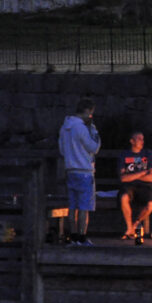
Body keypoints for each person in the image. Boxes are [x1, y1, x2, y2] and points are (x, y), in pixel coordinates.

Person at [58, 97, 101, 246]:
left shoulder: (65, 127)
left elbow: (62, 150)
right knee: (84, 207)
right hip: (84, 170)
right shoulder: (82, 128)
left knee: (72, 206)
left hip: (70, 170)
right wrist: (94, 130)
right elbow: (93, 147)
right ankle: (82, 238)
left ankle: (73, 236)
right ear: (88, 111)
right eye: (91, 113)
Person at [118, 130, 152, 240]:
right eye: (139, 139)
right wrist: (141, 173)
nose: (142, 141)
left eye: (142, 139)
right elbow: (123, 178)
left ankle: (135, 224)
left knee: (151, 204)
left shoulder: (147, 154)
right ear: (132, 141)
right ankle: (129, 228)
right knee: (124, 197)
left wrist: (132, 175)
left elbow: (151, 177)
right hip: (129, 186)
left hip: (145, 186)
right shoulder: (124, 155)